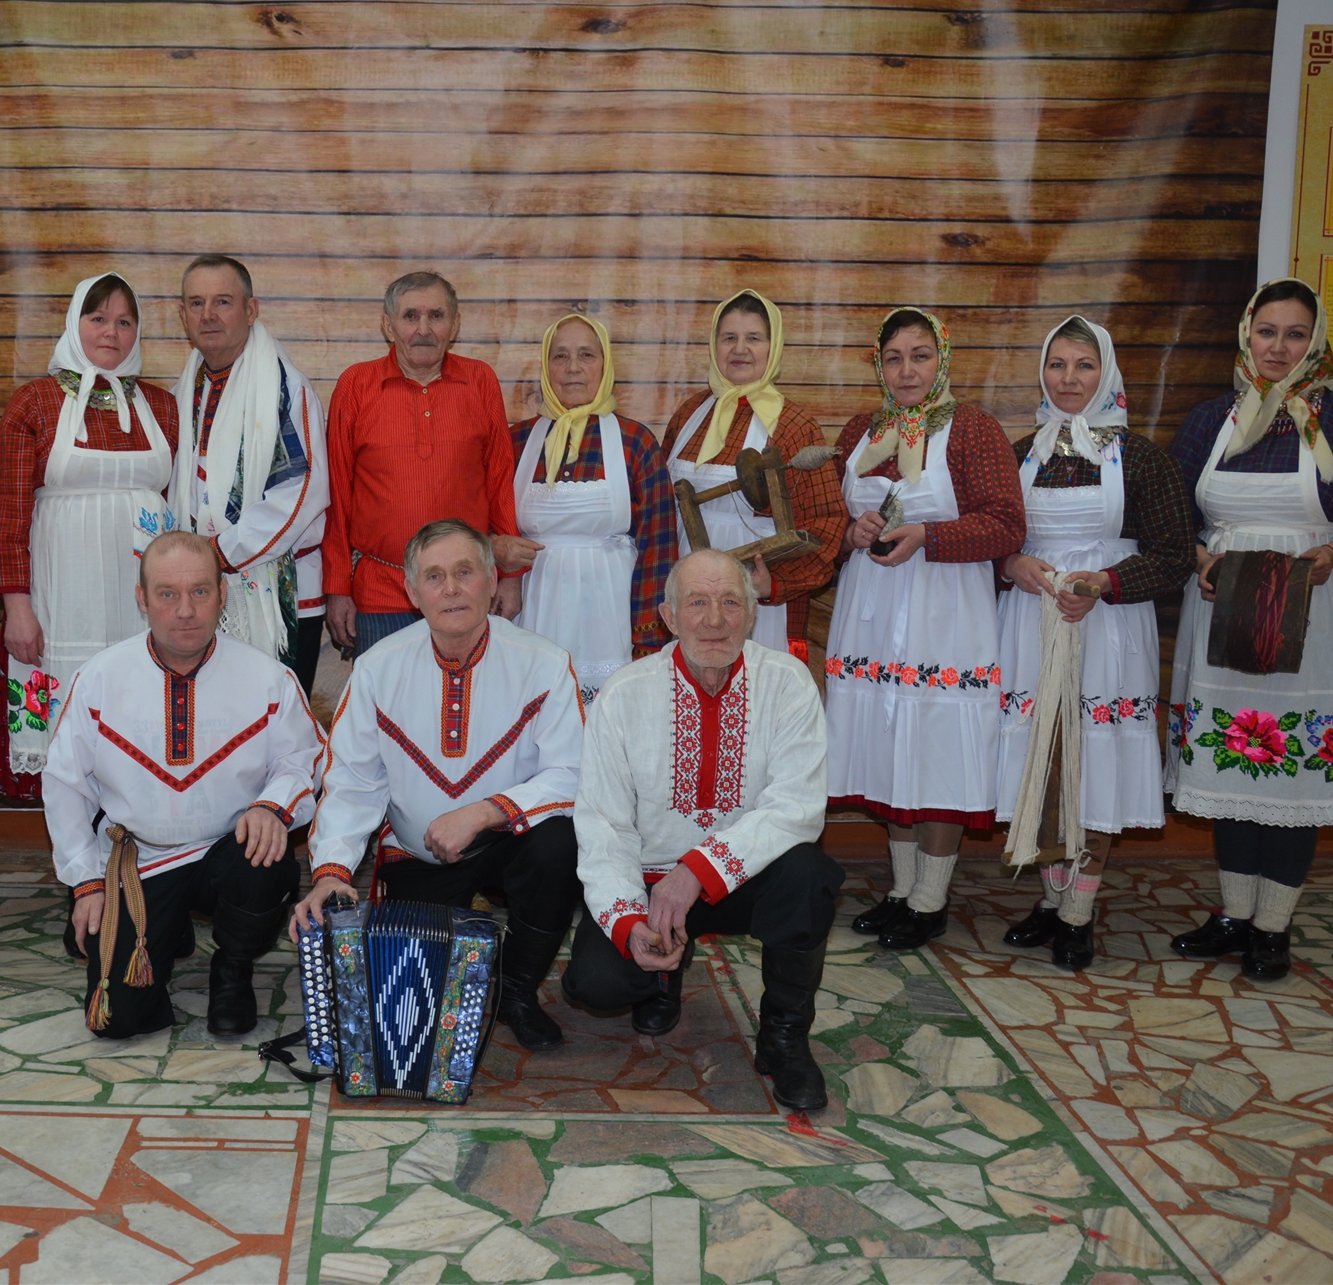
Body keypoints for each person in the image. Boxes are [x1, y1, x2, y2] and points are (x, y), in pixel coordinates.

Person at [1165, 279, 1333, 981]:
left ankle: (1272, 925)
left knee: (1295, 774)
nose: (1278, 347)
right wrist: (1198, 555)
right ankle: (1234, 915)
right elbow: (1170, 510)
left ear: (1317, 340)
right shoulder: (1210, 419)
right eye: (1267, 331)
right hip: (1222, 609)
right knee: (1230, 757)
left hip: (1318, 611)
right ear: (1247, 335)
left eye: (1295, 333)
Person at [563, 550, 842, 1109]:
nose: (714, 620)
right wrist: (628, 919)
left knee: (812, 876)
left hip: (744, 880)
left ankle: (784, 1039)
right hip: (648, 883)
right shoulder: (624, 693)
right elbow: (604, 824)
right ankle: (662, 969)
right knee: (595, 985)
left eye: (730, 602)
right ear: (668, 616)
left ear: (752, 613)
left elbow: (797, 808)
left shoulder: (787, 682)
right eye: (697, 603)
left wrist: (697, 870)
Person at [293, 519, 586, 1051]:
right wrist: (330, 870)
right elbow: (354, 782)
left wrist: (484, 812)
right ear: (411, 591)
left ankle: (516, 992)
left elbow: (571, 774)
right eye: (434, 577)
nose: (451, 589)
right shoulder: (378, 667)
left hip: (508, 841)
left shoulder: (544, 663)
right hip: (416, 853)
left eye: (465, 572)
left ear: (493, 580)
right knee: (408, 1027)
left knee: (558, 843)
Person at [44, 533, 320, 1039]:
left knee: (266, 858)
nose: (186, 610)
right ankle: (160, 933)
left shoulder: (268, 678)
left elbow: (304, 761)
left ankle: (232, 969)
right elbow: (65, 784)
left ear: (222, 595)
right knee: (118, 1020)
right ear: (142, 599)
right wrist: (84, 882)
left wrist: (272, 806)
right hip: (144, 859)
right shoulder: (100, 678)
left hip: (228, 853)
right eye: (168, 594)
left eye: (200, 592)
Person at [994, 317, 1194, 969]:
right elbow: (996, 535)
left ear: (1104, 372)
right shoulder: (1019, 453)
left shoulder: (1141, 457)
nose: (1069, 378)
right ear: (1043, 373)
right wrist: (1013, 564)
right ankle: (1051, 899)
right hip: (1033, 617)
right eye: (1058, 365)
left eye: (1083, 365)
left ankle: (1079, 909)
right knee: (1042, 757)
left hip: (1105, 624)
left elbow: (1172, 556)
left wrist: (1104, 580)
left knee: (1096, 762)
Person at [829, 307, 1027, 950]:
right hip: (872, 609)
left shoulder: (972, 429)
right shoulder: (863, 429)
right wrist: (850, 533)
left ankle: (930, 897)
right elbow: (829, 517)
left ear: (942, 359)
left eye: (920, 355)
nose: (907, 369)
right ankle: (899, 890)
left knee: (937, 750)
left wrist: (928, 536)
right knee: (891, 750)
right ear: (878, 364)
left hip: (944, 611)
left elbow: (1006, 524)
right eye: (894, 357)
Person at [0, 273, 180, 796]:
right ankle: (82, 868)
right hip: (61, 599)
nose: (111, 332)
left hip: (139, 602)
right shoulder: (34, 403)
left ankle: (141, 864)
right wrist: (17, 608)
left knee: (140, 730)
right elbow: (7, 515)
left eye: (124, 321)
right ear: (75, 323)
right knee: (68, 744)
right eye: (98, 318)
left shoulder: (163, 407)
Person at [322, 272, 535, 657]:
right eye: (410, 317)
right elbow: (336, 494)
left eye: (436, 316)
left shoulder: (480, 380)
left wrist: (510, 577)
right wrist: (337, 587)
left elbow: (500, 481)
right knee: (386, 711)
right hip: (380, 593)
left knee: (467, 709)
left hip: (464, 592)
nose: (423, 329)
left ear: (454, 324)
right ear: (388, 325)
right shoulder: (356, 385)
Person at [170, 255, 329, 690]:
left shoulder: (282, 387)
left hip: (281, 598)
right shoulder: (186, 390)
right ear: (182, 315)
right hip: (204, 593)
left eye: (223, 301)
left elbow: (303, 490)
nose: (208, 315)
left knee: (273, 735)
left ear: (251, 309)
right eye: (196, 303)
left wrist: (218, 554)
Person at [660, 290, 847, 658]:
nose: (739, 349)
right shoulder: (689, 416)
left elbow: (828, 522)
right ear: (714, 345)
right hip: (687, 595)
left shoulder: (795, 426)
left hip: (758, 606)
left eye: (753, 338)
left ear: (772, 346)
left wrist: (775, 584)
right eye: (729, 338)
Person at [507, 314, 677, 700]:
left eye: (586, 355)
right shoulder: (516, 442)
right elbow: (486, 528)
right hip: (533, 614)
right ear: (545, 367)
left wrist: (648, 641)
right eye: (560, 356)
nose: (572, 368)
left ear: (605, 365)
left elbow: (659, 550)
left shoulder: (635, 442)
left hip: (612, 617)